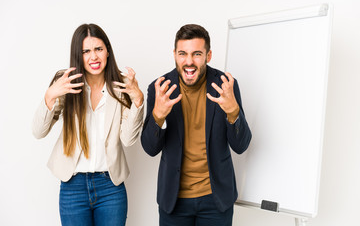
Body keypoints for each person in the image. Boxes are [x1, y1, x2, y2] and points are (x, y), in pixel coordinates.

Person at [32, 23, 144, 226]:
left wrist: (138, 101)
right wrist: (49, 96)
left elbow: (128, 139)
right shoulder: (66, 82)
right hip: (73, 186)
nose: (93, 57)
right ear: (78, 54)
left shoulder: (122, 85)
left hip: (111, 186)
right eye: (86, 51)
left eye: (98, 49)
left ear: (107, 51)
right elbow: (39, 132)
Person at [141, 24, 252, 226]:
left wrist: (233, 112)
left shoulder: (225, 86)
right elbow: (150, 148)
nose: (189, 62)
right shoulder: (160, 88)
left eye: (197, 54)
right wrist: (158, 116)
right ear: (174, 54)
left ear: (208, 56)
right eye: (183, 53)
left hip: (216, 200)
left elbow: (240, 145)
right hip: (173, 201)